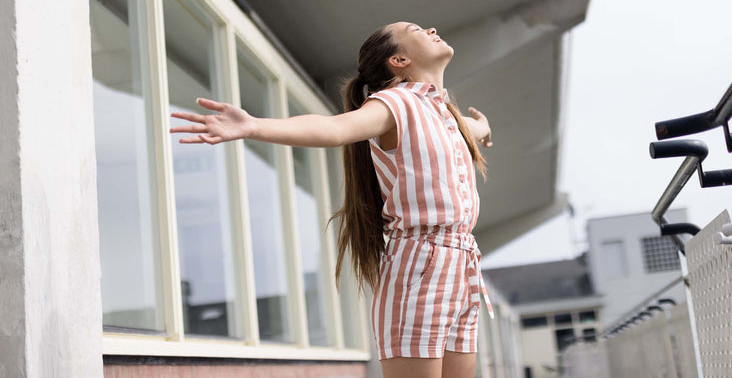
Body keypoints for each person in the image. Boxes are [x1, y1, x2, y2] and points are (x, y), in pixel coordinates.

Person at [170, 21, 494, 378]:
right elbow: (335, 129)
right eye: (415, 28)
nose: (431, 28)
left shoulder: (445, 114)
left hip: (463, 263)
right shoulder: (395, 103)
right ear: (398, 59)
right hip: (421, 263)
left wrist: (483, 128)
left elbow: (471, 129)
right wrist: (254, 126)